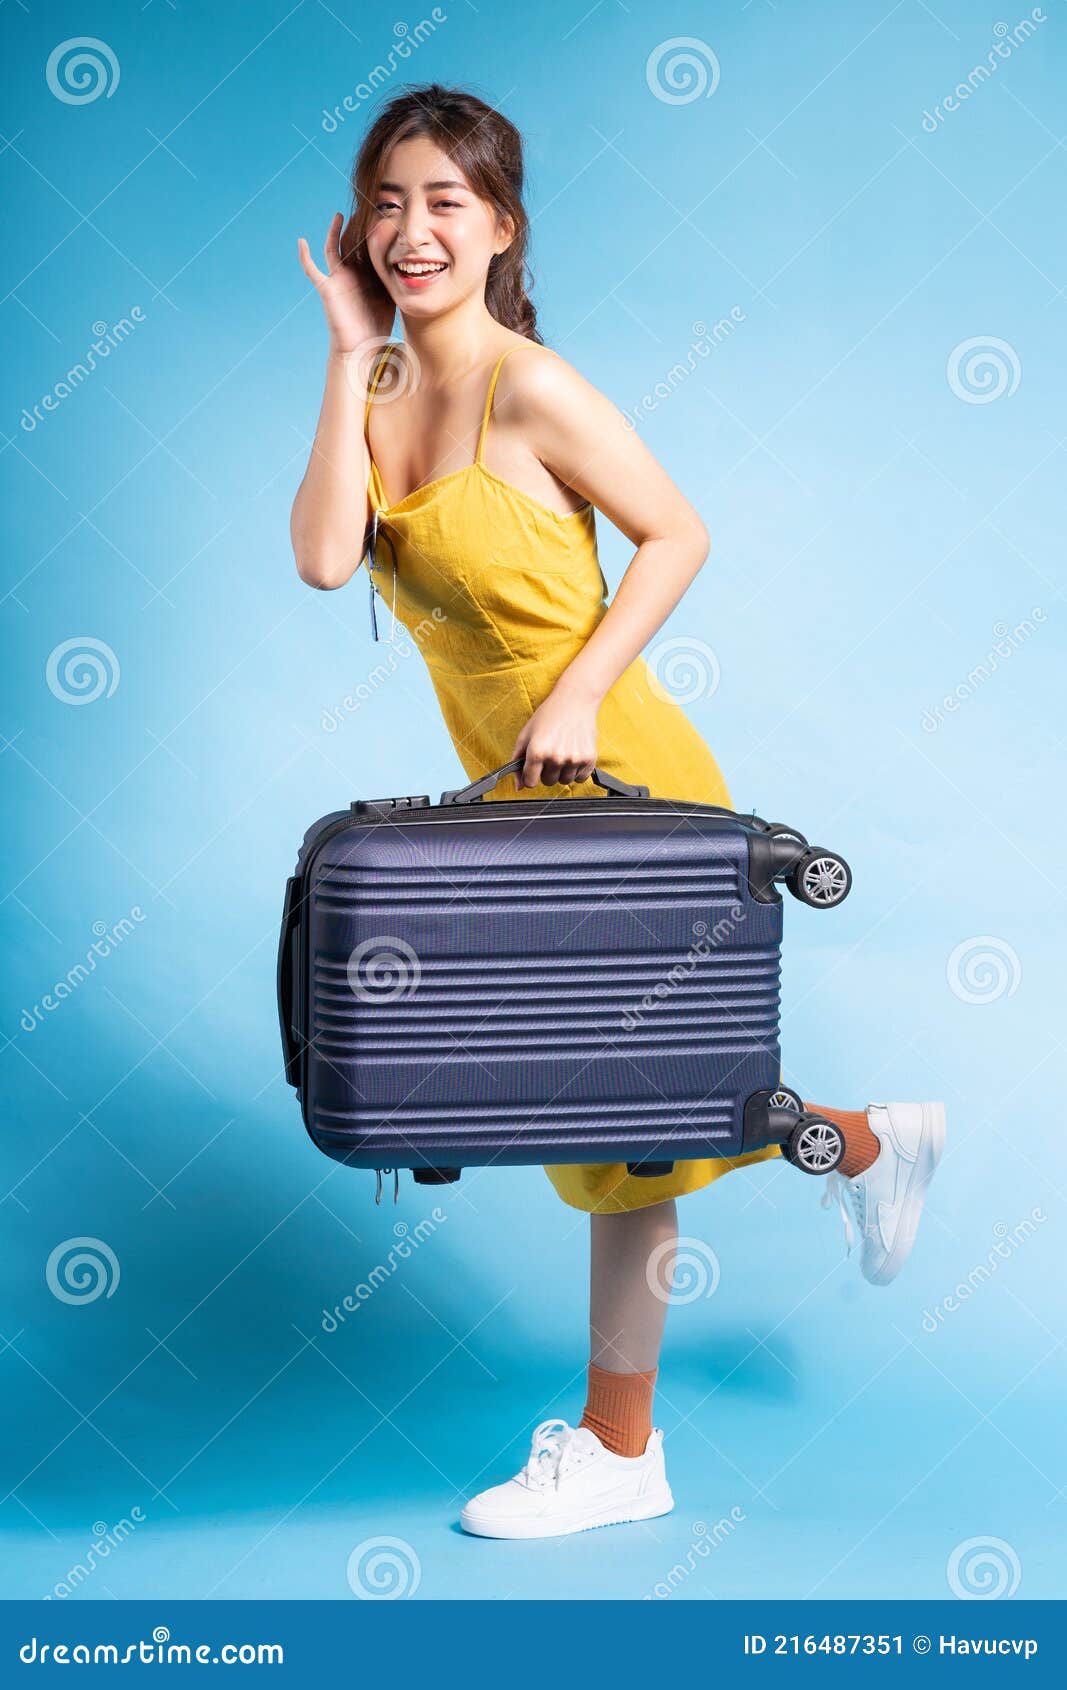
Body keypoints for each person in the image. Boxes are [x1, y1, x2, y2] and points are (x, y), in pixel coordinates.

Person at [291, 82, 945, 1541]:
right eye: (387, 203)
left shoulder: (534, 384)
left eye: (444, 204)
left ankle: (621, 1449)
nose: (412, 232)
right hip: (509, 805)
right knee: (629, 1095)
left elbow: (679, 529)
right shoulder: (387, 388)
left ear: (502, 226)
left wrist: (583, 687)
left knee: (623, 1123)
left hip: (615, 781)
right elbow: (330, 556)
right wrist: (349, 352)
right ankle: (864, 1139)